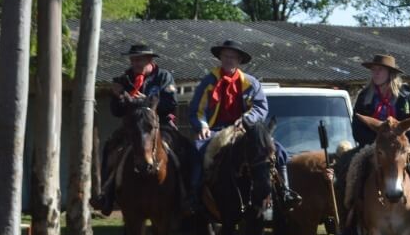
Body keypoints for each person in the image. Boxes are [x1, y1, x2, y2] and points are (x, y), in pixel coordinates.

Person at [187, 40, 300, 213]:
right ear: (220, 58)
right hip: (215, 130)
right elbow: (197, 109)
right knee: (197, 148)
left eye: (233, 57)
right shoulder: (208, 81)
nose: (229, 60)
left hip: (245, 130)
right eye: (226, 56)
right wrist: (202, 126)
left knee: (278, 150)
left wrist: (246, 119)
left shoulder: (251, 83)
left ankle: (284, 192)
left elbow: (261, 107)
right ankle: (194, 195)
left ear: (239, 60)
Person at [347, 54, 410, 235]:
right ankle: (349, 222)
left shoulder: (406, 94)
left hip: (403, 144)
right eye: (373, 70)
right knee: (347, 166)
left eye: (379, 70)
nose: (375, 73)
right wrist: (376, 142)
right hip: (373, 145)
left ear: (390, 73)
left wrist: (404, 140)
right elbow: (357, 127)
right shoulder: (364, 96)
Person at [93, 44, 193, 215]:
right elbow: (116, 111)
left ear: (150, 60)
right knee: (110, 146)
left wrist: (147, 100)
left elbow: (171, 104)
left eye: (139, 59)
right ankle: (105, 194)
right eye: (133, 59)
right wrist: (118, 97)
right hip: (132, 127)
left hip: (160, 125)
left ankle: (187, 195)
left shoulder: (163, 77)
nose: (135, 63)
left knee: (186, 150)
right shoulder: (124, 79)